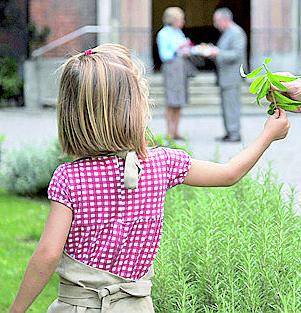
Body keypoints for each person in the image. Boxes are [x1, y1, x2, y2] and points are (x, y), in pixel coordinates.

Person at [9, 44, 289, 313]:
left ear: (73, 116)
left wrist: (17, 310)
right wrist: (268, 135)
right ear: (135, 108)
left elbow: (47, 254)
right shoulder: (162, 163)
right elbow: (229, 174)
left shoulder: (69, 178)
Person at [208, 7, 247, 142]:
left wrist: (217, 53)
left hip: (232, 76)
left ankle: (234, 134)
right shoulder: (228, 32)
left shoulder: (236, 32)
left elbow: (236, 54)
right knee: (226, 106)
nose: (215, 24)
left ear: (224, 20)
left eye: (216, 21)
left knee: (231, 106)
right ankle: (229, 132)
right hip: (225, 76)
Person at [157, 7, 192, 140]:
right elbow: (164, 55)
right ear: (173, 20)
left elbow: (184, 49)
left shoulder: (178, 32)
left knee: (179, 101)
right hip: (171, 68)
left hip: (181, 68)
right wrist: (179, 48)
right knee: (171, 101)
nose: (183, 22)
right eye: (180, 19)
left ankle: (176, 131)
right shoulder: (164, 34)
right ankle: (169, 132)